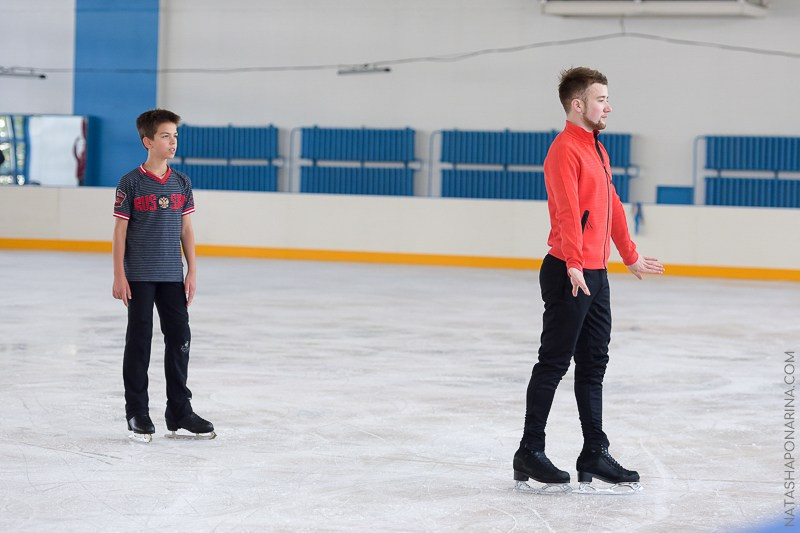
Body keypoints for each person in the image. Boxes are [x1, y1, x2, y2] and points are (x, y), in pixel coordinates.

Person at [513, 67, 664, 489]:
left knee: (594, 364)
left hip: (595, 274)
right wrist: (575, 264)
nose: (608, 107)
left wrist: (630, 257)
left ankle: (594, 452)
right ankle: (529, 450)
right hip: (569, 271)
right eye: (601, 99)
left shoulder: (597, 148)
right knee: (554, 363)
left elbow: (611, 206)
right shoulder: (564, 150)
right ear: (577, 104)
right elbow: (566, 211)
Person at [112, 109, 215, 442]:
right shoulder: (130, 182)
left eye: (175, 136)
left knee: (180, 338)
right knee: (139, 341)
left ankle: (179, 411)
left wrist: (192, 270)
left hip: (172, 275)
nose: (173, 142)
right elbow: (119, 232)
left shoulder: (181, 182)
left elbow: (186, 229)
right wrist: (119, 275)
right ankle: (137, 412)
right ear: (148, 141)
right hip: (139, 276)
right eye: (165, 136)